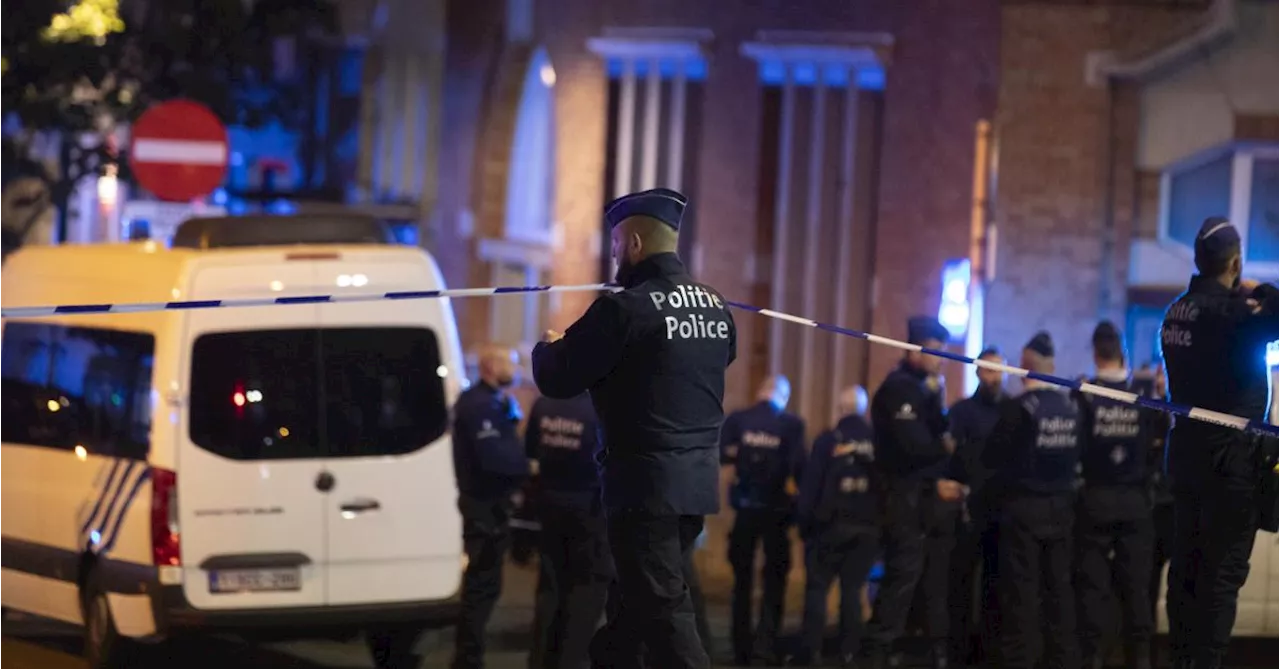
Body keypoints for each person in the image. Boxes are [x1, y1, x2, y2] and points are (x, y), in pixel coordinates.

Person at [530, 187, 737, 669]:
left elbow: (557, 377)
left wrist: (549, 344)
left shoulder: (624, 308)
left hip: (643, 488)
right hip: (695, 485)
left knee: (664, 613)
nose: (617, 255)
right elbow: (720, 358)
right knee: (629, 614)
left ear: (635, 245)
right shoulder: (715, 306)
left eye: (618, 245)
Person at [1159, 216, 1280, 669]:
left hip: (1187, 462)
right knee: (1219, 580)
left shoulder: (1177, 311)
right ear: (1234, 261)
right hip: (1230, 468)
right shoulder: (1232, 316)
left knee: (1186, 574)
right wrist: (1259, 291)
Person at [955, 332, 1081, 669]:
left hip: (1023, 512)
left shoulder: (1018, 410)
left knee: (1021, 596)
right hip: (1062, 510)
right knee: (1059, 593)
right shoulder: (1069, 408)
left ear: (1024, 367)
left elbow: (994, 461)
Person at [864, 316, 959, 669]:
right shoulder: (899, 389)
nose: (941, 361)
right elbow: (914, 447)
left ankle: (920, 650)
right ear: (917, 349)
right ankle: (875, 653)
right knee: (900, 580)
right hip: (902, 497)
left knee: (925, 580)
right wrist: (942, 447)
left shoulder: (925, 389)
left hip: (920, 499)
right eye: (936, 352)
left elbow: (941, 431)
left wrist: (940, 404)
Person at [1075, 322, 1156, 669]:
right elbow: (1157, 444)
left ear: (1095, 352)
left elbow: (1075, 448)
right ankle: (1138, 659)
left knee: (1093, 587)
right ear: (1121, 349)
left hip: (1095, 500)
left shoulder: (1083, 392)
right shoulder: (1144, 390)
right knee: (1136, 588)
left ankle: (1093, 657)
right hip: (1136, 502)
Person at [451, 344, 531, 669]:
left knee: (487, 586)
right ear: (489, 367)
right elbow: (496, 460)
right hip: (484, 507)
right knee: (481, 588)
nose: (514, 369)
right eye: (508, 364)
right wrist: (529, 469)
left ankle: (469, 655)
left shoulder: (498, 402)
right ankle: (468, 659)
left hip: (492, 506)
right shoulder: (478, 405)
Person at [719, 374, 807, 665]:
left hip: (745, 509)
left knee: (741, 581)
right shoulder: (791, 425)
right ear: (783, 396)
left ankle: (740, 644)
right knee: (774, 580)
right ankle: (766, 645)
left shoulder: (738, 419)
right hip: (777, 512)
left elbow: (722, 455)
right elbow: (799, 469)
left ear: (760, 391)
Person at [795, 386, 880, 668]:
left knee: (817, 590)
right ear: (863, 408)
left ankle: (812, 653)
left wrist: (804, 525)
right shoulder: (878, 443)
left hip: (829, 528)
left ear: (841, 409)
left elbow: (811, 486)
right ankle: (849, 653)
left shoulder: (828, 440)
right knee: (853, 592)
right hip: (867, 530)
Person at [525, 391, 611, 669]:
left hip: (550, 502)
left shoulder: (544, 404)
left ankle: (540, 660)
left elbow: (530, 450)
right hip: (589, 508)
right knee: (586, 589)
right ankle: (571, 660)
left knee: (550, 587)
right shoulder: (599, 408)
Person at [943, 346, 1007, 667]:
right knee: (961, 584)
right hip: (969, 508)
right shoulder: (962, 412)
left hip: (1003, 510)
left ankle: (990, 651)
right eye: (987, 369)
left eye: (998, 369)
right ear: (978, 372)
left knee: (996, 585)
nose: (993, 376)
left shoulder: (1014, 410)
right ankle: (959, 651)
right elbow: (950, 456)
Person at [1143, 362, 1174, 668]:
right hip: (1154, 509)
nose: (1160, 380)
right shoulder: (1150, 412)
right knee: (1147, 589)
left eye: (1164, 374)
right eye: (1159, 375)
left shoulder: (1187, 413)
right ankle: (1147, 655)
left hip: (1179, 509)